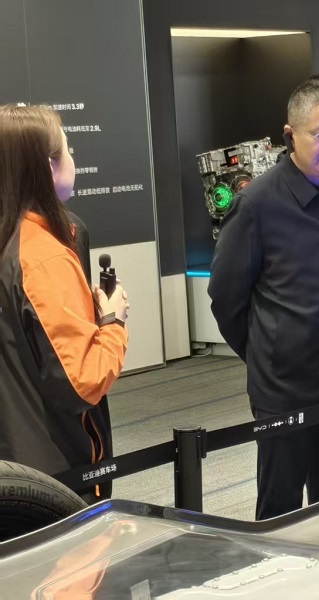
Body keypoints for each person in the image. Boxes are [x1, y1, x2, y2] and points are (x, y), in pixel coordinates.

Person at [208, 78, 319, 520]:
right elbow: (226, 298)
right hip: (285, 390)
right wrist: (268, 353)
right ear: (290, 135)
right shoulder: (256, 204)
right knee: (280, 509)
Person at [0, 105, 129, 502]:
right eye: (68, 148)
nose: (73, 158)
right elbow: (82, 383)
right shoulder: (43, 257)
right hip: (52, 473)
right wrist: (113, 321)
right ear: (48, 166)